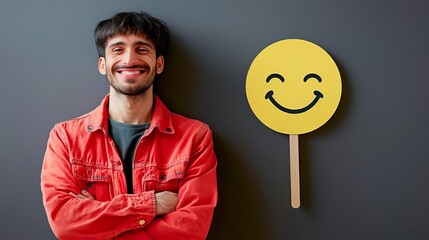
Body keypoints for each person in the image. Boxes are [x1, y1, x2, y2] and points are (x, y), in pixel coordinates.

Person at [40, 11, 218, 240]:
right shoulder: (65, 138)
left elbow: (191, 230)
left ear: (159, 63)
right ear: (102, 65)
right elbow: (65, 222)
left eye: (142, 49)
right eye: (118, 49)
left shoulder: (195, 137)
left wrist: (99, 222)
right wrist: (151, 204)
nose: (129, 60)